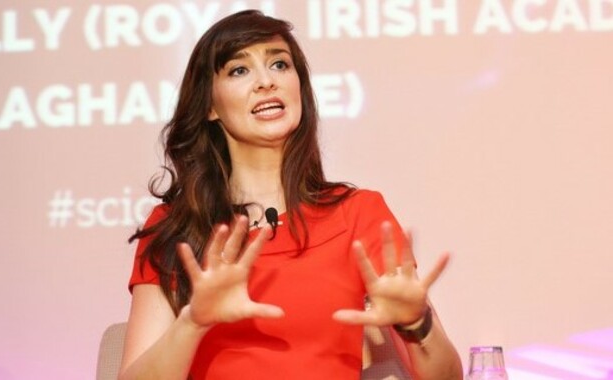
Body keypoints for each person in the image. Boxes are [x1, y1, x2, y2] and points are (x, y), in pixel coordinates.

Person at [119, 9, 462, 380]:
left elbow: (446, 377)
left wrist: (417, 322)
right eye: (239, 70)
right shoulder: (175, 228)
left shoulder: (359, 214)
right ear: (209, 106)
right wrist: (194, 322)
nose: (267, 82)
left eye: (280, 65)